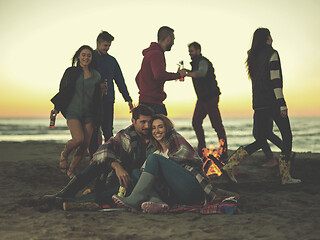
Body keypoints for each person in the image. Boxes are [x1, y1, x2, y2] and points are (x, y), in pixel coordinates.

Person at [112, 114, 238, 213]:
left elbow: (197, 162)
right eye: (154, 128)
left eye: (160, 126)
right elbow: (146, 174)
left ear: (167, 127)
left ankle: (135, 199)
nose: (157, 131)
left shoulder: (176, 140)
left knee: (153, 159)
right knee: (136, 172)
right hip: (175, 195)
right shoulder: (157, 152)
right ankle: (158, 202)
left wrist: (162, 167)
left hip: (192, 188)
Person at [222, 28, 301, 185]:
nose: (272, 38)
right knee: (287, 136)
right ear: (267, 38)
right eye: (270, 35)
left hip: (258, 104)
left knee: (261, 139)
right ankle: (285, 176)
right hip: (272, 102)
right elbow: (275, 80)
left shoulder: (253, 58)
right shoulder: (272, 53)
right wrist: (281, 103)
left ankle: (230, 164)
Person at [42, 104, 154, 207]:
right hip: (120, 176)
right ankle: (62, 194)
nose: (147, 126)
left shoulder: (155, 136)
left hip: (138, 179)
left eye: (149, 122)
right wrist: (116, 166)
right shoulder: (125, 135)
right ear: (133, 121)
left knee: (129, 182)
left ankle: (73, 201)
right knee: (98, 164)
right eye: (143, 122)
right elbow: (103, 149)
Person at [50, 45, 103, 179]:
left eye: (89, 55)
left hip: (90, 113)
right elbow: (63, 90)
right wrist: (56, 108)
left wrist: (103, 92)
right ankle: (64, 154)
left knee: (85, 144)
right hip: (73, 111)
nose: (86, 57)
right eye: (83, 55)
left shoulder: (96, 75)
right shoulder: (71, 72)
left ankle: (71, 170)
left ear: (92, 58)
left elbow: (97, 97)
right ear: (78, 56)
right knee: (78, 139)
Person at [89, 31, 134, 158]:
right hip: (92, 101)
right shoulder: (89, 57)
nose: (107, 48)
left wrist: (128, 99)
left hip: (108, 100)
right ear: (98, 43)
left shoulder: (112, 60)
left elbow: (120, 80)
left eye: (109, 46)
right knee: (93, 132)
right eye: (105, 45)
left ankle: (108, 157)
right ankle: (94, 158)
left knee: (108, 131)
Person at [185, 42, 227, 158]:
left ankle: (223, 152)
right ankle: (202, 151)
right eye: (189, 51)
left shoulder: (203, 61)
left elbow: (201, 73)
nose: (190, 53)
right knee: (196, 122)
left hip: (211, 97)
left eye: (192, 51)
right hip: (202, 98)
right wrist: (187, 71)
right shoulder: (195, 63)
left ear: (198, 50)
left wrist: (187, 73)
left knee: (217, 125)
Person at [135, 26, 187, 115]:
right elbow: (159, 75)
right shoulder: (156, 54)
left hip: (145, 102)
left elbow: (137, 78)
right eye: (173, 39)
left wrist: (145, 92)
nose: (174, 43)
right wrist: (178, 75)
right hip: (153, 104)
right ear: (168, 38)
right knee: (164, 128)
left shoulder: (151, 53)